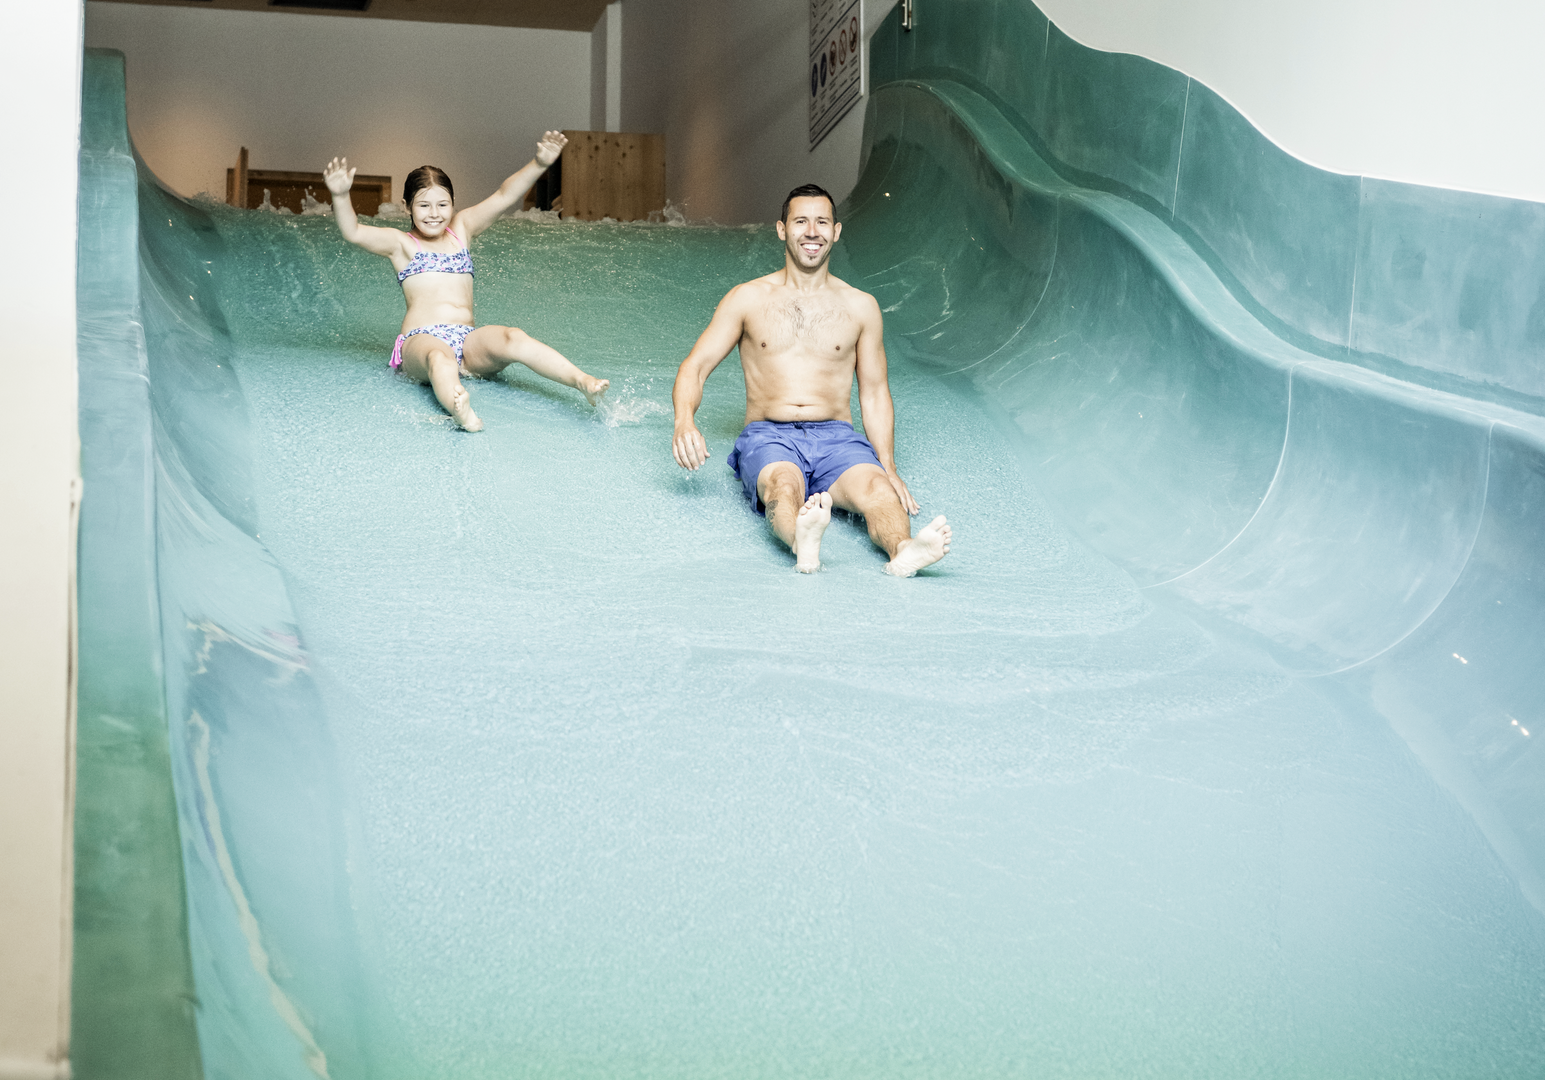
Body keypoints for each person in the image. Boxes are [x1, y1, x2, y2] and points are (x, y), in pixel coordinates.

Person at [671, 183, 951, 576]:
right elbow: (695, 366)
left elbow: (874, 392)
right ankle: (801, 542)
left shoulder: (861, 307)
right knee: (783, 486)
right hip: (769, 434)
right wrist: (684, 421)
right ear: (782, 229)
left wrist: (887, 465)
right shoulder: (747, 299)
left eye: (822, 222)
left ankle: (903, 550)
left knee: (878, 490)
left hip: (837, 437)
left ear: (836, 231)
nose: (812, 231)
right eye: (801, 221)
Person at [322, 134, 608, 431]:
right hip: (421, 341)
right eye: (424, 206)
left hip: (467, 341)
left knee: (513, 337)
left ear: (453, 204)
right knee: (439, 358)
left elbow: (503, 196)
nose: (434, 214)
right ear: (407, 207)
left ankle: (582, 381)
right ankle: (460, 409)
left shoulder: (462, 229)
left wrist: (539, 163)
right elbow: (353, 232)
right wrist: (340, 195)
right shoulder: (401, 245)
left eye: (442, 204)